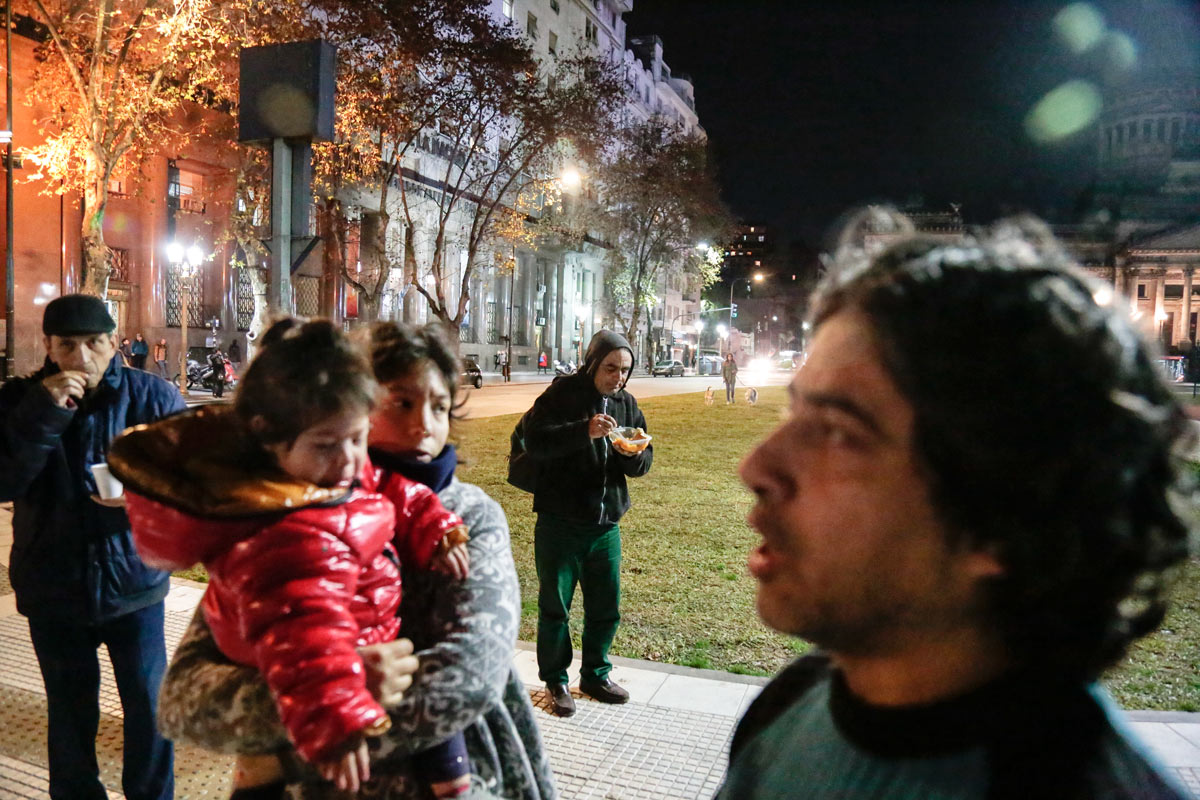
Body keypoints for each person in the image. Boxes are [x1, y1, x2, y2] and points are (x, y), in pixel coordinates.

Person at [718, 216, 1195, 799]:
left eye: (840, 431)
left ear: (1002, 518)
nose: (755, 468)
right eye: (794, 413)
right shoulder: (791, 703)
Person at [155, 320, 556, 799]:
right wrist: (331, 696)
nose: (424, 424)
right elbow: (183, 700)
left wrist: (289, 749)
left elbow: (466, 680)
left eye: (440, 405)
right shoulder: (276, 516)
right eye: (401, 401)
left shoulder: (467, 520)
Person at [0, 294, 185, 800]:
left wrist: (141, 497)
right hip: (53, 587)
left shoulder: (154, 397)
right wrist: (44, 414)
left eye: (94, 343)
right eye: (68, 345)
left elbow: (190, 484)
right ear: (49, 347)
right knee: (69, 713)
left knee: (150, 710)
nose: (82, 358)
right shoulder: (19, 401)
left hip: (134, 585)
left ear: (113, 342)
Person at [522, 330, 653, 717]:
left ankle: (595, 674)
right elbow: (535, 440)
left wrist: (632, 454)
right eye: (611, 368)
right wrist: (585, 431)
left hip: (605, 525)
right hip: (560, 522)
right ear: (593, 363)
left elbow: (643, 462)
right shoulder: (562, 395)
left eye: (625, 370)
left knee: (605, 606)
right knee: (555, 608)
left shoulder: (627, 405)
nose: (619, 378)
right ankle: (556, 681)